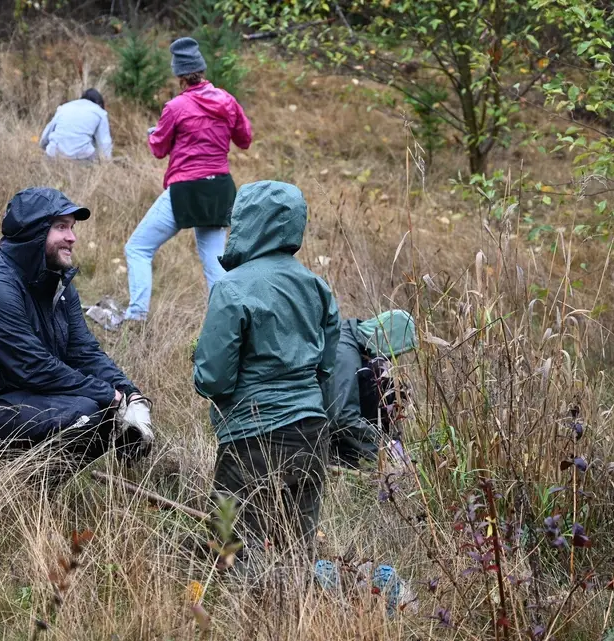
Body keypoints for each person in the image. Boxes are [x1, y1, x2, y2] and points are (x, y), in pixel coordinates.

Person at [0, 187, 153, 469]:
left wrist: (131, 395)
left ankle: (33, 488)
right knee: (90, 411)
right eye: (61, 227)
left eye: (72, 227)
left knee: (102, 407)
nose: (72, 237)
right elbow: (33, 366)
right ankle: (9, 485)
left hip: (14, 393)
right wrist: (112, 398)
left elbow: (84, 352)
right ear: (33, 233)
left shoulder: (58, 284)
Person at [193, 180, 340, 557]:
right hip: (311, 432)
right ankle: (300, 611)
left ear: (246, 222)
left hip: (251, 436)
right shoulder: (317, 286)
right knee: (297, 551)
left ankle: (240, 611)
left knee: (232, 547)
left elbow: (214, 378)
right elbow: (326, 365)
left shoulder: (231, 288)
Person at [123, 37, 252, 322]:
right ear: (202, 70)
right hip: (219, 188)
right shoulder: (228, 101)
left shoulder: (175, 107)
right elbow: (245, 139)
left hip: (186, 188)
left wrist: (153, 133)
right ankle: (228, 323)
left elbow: (158, 148)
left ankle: (136, 317)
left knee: (138, 248)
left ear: (179, 75)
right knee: (213, 263)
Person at [330, 310, 417, 469]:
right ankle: (344, 458)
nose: (392, 359)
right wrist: (384, 448)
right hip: (315, 431)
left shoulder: (355, 340)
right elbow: (342, 416)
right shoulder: (344, 355)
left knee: (392, 386)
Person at [39, 88, 112, 161]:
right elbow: (104, 143)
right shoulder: (100, 112)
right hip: (80, 158)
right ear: (99, 103)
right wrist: (107, 162)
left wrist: (43, 147)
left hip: (54, 154)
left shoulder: (64, 107)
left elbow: (47, 133)